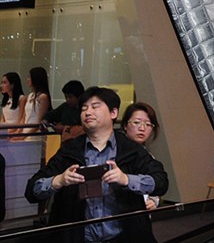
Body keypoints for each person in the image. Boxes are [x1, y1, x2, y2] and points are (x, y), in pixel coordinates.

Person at [25, 86, 168, 243]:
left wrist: (126, 179)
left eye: (95, 107)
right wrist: (58, 180)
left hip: (124, 237)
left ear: (113, 113)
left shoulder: (131, 150)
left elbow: (161, 181)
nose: (88, 112)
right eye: (84, 108)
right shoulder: (70, 150)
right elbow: (32, 190)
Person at [120, 102, 161, 211]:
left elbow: (156, 185)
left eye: (148, 124)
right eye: (137, 122)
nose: (142, 128)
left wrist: (154, 200)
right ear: (125, 125)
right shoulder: (116, 152)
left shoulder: (148, 157)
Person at [23, 66, 51, 135]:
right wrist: (18, 132)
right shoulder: (30, 95)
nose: (28, 79)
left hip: (35, 134)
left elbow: (39, 122)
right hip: (25, 131)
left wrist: (24, 135)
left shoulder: (43, 97)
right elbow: (24, 118)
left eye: (30, 77)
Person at [1, 72, 25, 137]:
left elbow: (20, 121)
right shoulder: (5, 100)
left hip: (16, 133)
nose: (2, 85)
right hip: (5, 133)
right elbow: (3, 119)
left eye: (4, 83)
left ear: (12, 84)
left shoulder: (22, 99)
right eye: (2, 83)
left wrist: (8, 132)